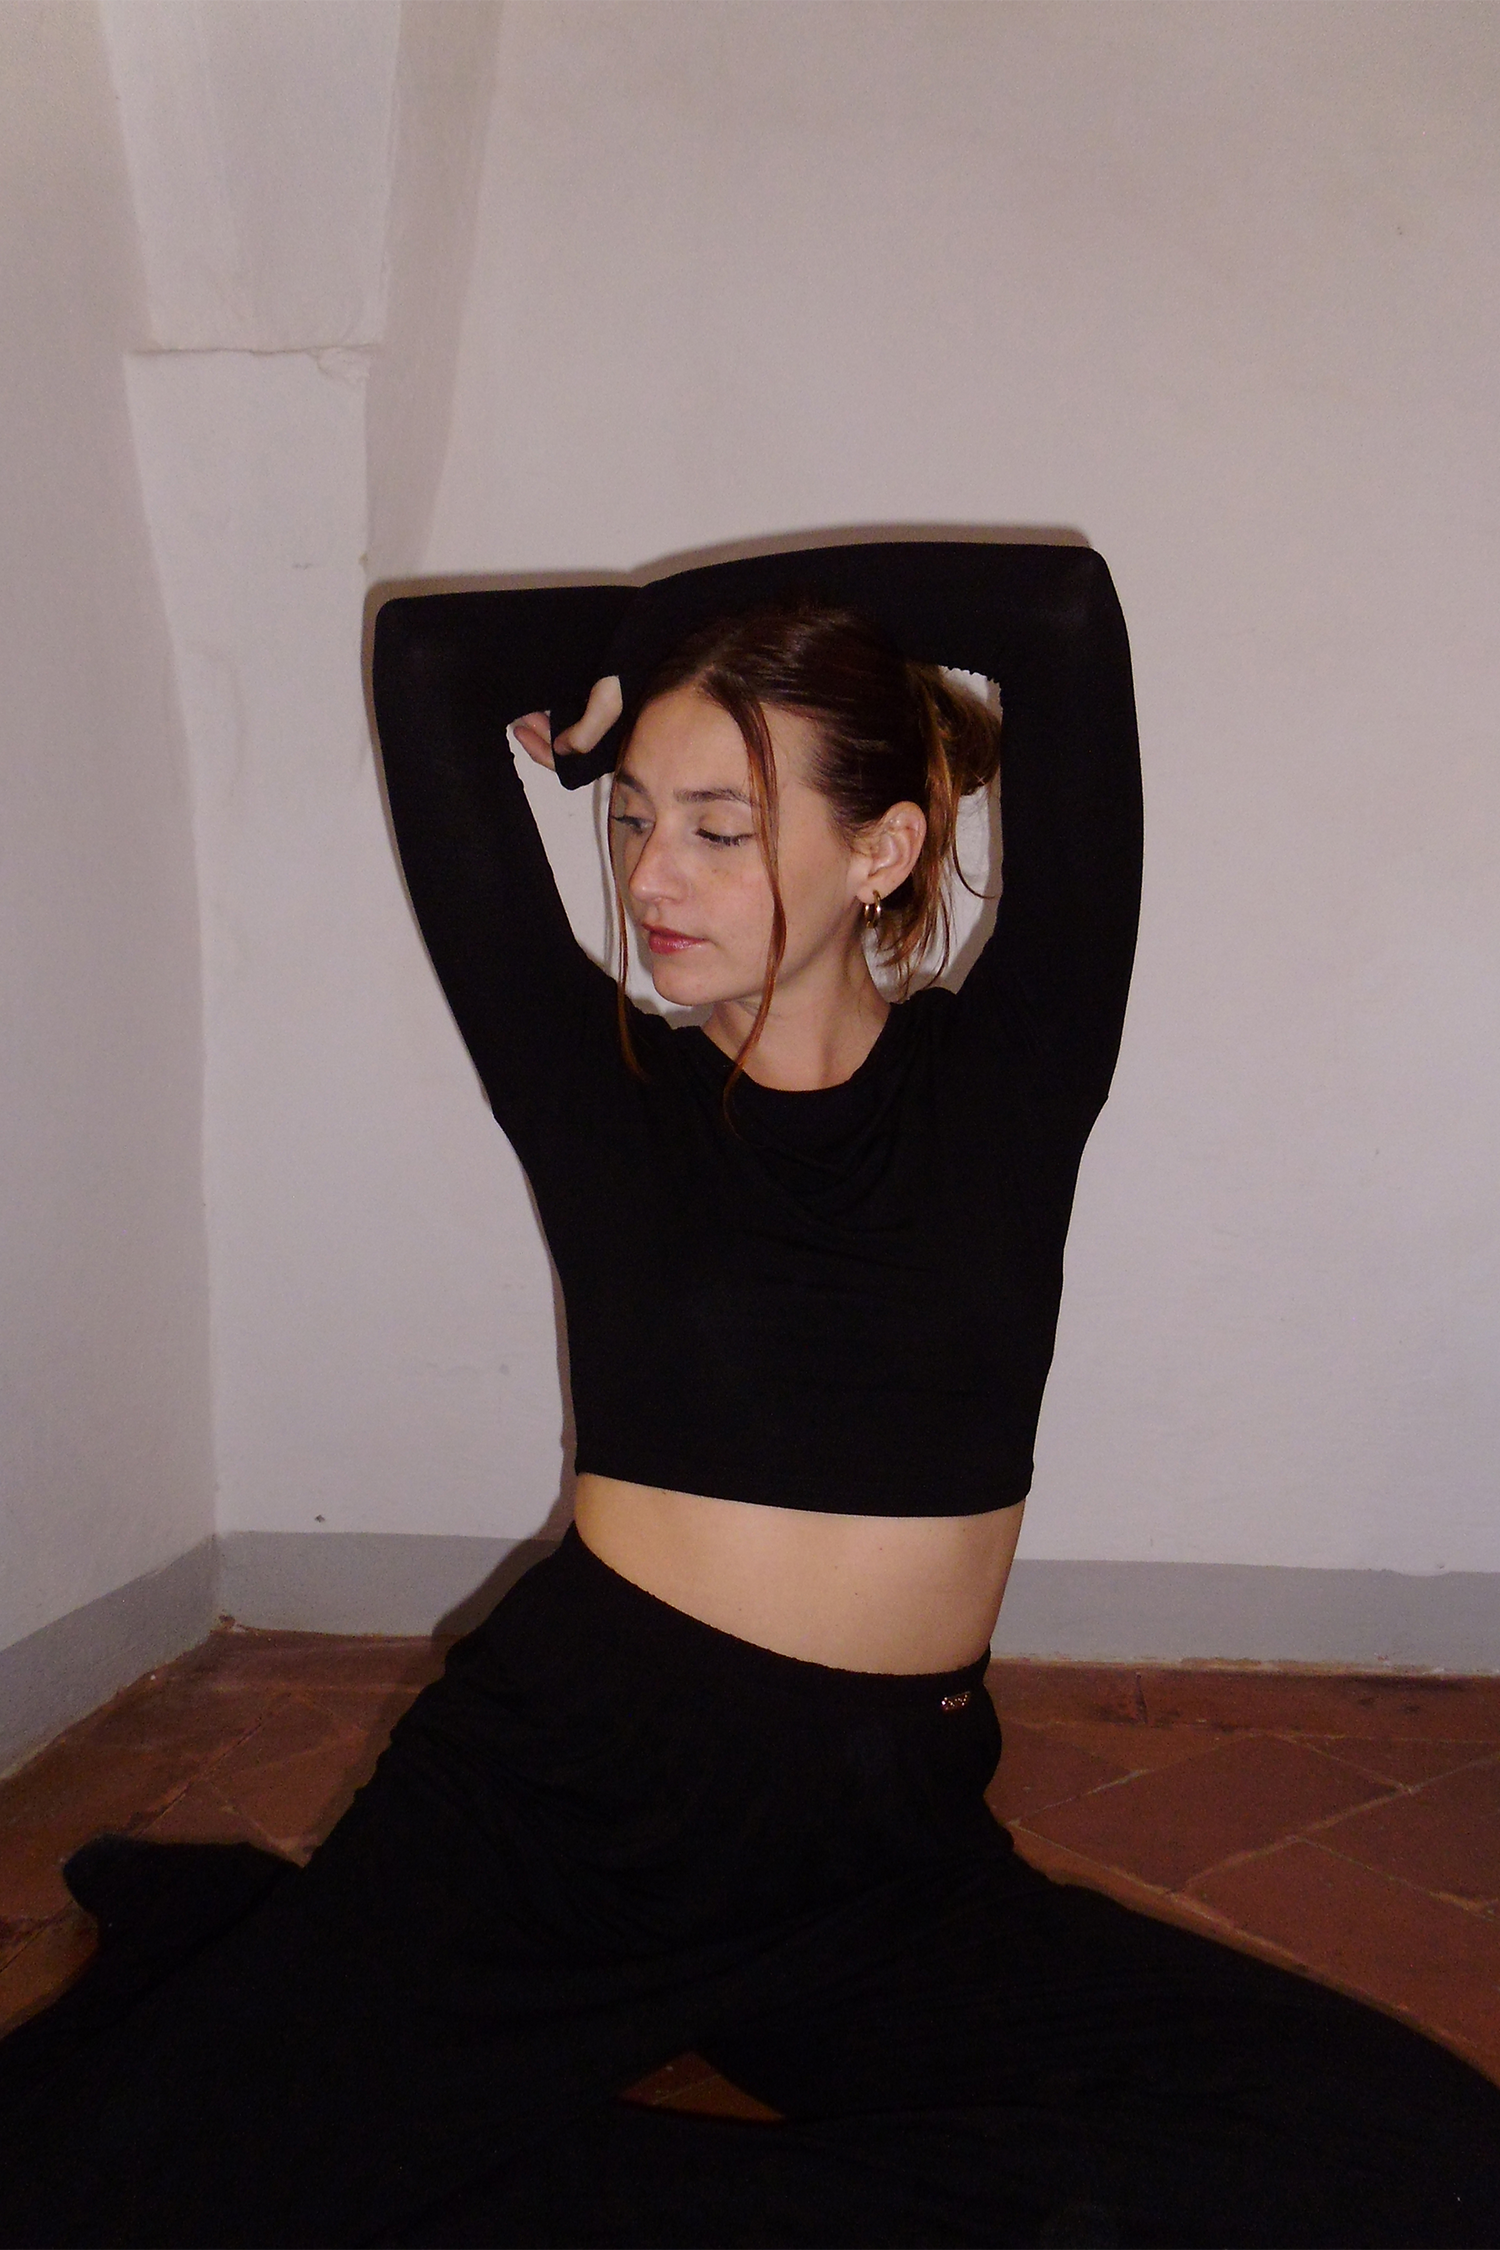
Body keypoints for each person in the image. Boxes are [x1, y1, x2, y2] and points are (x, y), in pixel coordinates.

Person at [1, 542, 1496, 2248]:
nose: (651, 874)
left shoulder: (1014, 1076)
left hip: (885, 1862)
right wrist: (655, 665)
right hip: (576, 1804)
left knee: (1429, 2161)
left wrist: (669, 635)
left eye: (720, 826)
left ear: (884, 848)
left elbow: (1063, 616)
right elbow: (428, 663)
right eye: (634, 816)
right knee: (100, 2196)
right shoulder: (595, 1083)